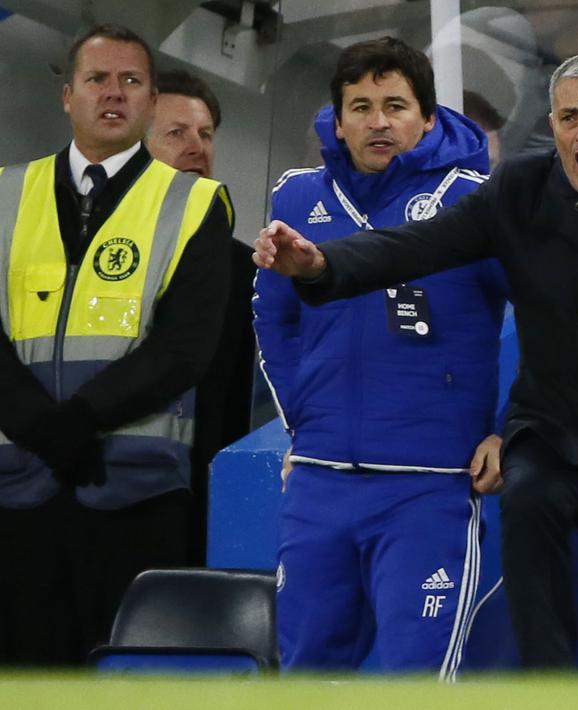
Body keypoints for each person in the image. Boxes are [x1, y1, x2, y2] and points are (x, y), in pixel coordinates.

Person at [253, 48, 578, 672]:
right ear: (550, 125)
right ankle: (545, 684)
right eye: (569, 116)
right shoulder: (519, 188)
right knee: (530, 496)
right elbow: (416, 247)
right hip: (560, 429)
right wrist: (322, 265)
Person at [253, 37, 504, 675]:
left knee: (413, 679)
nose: (379, 121)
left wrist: (508, 428)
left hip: (429, 486)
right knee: (306, 672)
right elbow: (274, 318)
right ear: (337, 121)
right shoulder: (295, 200)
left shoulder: (475, 201)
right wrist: (302, 421)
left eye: (396, 105)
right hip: (319, 477)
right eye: (360, 106)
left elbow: (544, 317)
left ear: (427, 118)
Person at [0, 24, 233, 663]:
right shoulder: (5, 194)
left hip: (135, 492)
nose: (114, 92)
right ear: (67, 95)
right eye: (98, 78)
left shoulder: (195, 203)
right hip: (18, 489)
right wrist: (38, 426)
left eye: (131, 80)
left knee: (126, 678)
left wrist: (79, 419)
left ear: (151, 100)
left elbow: (184, 347)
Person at [146, 67, 255, 565]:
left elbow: (238, 405)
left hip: (198, 509)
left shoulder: (244, 267)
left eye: (205, 134)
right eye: (176, 133)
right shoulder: (93, 255)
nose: (197, 147)